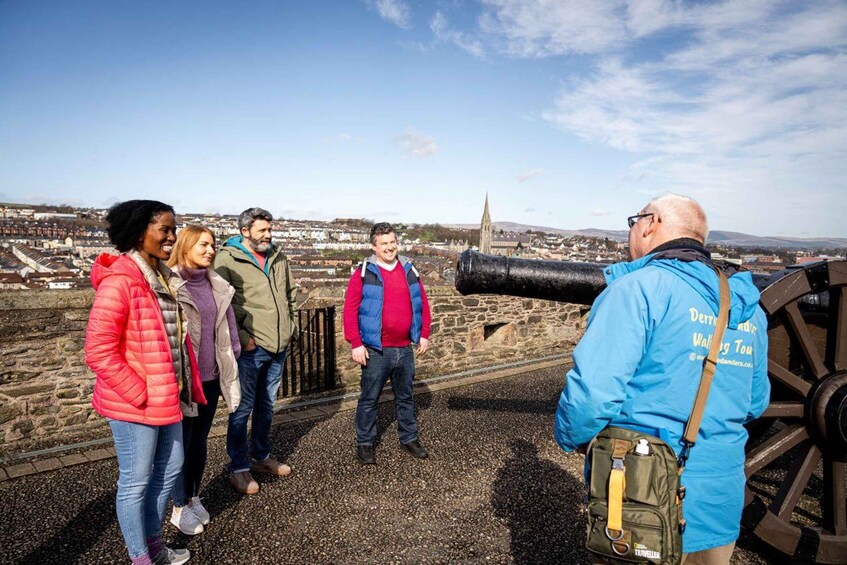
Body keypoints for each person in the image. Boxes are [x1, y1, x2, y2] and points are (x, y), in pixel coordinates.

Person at [553, 194, 770, 564]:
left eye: (633, 222)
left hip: (644, 496)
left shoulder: (638, 289)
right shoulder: (747, 308)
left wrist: (571, 437)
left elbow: (591, 395)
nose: (631, 232)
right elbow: (754, 402)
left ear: (650, 223)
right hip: (719, 496)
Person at [86, 200, 203, 565]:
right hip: (135, 403)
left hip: (167, 398)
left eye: (174, 229)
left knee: (169, 469)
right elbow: (98, 351)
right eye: (164, 230)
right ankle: (141, 558)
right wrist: (140, 392)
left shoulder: (162, 278)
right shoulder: (120, 283)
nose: (172, 237)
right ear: (139, 233)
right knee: (135, 483)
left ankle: (154, 546)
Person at [214, 207, 298, 494]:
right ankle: (238, 468)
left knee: (266, 405)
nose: (268, 235)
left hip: (279, 344)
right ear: (245, 231)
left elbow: (290, 294)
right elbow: (223, 304)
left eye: (270, 229)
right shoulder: (226, 259)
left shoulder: (277, 256)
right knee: (241, 408)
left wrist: (291, 327)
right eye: (262, 230)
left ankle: (261, 457)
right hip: (252, 347)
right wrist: (246, 337)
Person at [166, 225, 241, 534]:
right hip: (184, 381)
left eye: (212, 245)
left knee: (198, 443)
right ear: (185, 248)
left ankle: (194, 496)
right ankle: (179, 506)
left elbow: (228, 324)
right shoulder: (171, 285)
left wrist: (233, 352)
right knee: (179, 447)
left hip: (210, 377)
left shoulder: (216, 284)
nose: (211, 251)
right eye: (204, 246)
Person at [343, 222, 432, 465]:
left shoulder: (409, 269)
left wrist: (424, 333)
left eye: (392, 242)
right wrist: (356, 343)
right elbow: (350, 310)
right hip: (376, 350)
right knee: (369, 398)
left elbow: (422, 302)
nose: (390, 247)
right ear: (374, 246)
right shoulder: (364, 272)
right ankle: (365, 442)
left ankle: (409, 437)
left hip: (404, 348)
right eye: (384, 244)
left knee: (405, 397)